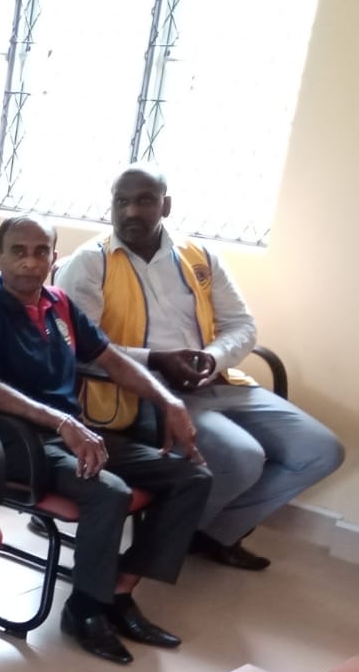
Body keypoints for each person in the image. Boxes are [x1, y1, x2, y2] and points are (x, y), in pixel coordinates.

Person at [56, 166, 345, 571]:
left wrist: (214, 357)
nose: (131, 212)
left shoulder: (200, 257)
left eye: (144, 200)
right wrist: (156, 360)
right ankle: (159, 549)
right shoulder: (90, 263)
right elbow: (78, 348)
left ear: (166, 206)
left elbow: (242, 324)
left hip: (217, 380)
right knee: (245, 458)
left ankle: (208, 533)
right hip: (145, 392)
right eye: (121, 201)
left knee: (321, 451)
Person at [0, 214, 213, 664]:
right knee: (109, 493)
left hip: (72, 433)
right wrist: (61, 422)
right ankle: (86, 608)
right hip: (17, 443)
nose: (30, 263)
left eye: (41, 253)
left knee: (191, 475)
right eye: (18, 252)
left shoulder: (59, 304)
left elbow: (110, 359)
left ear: (54, 260)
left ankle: (119, 588)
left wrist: (168, 401)